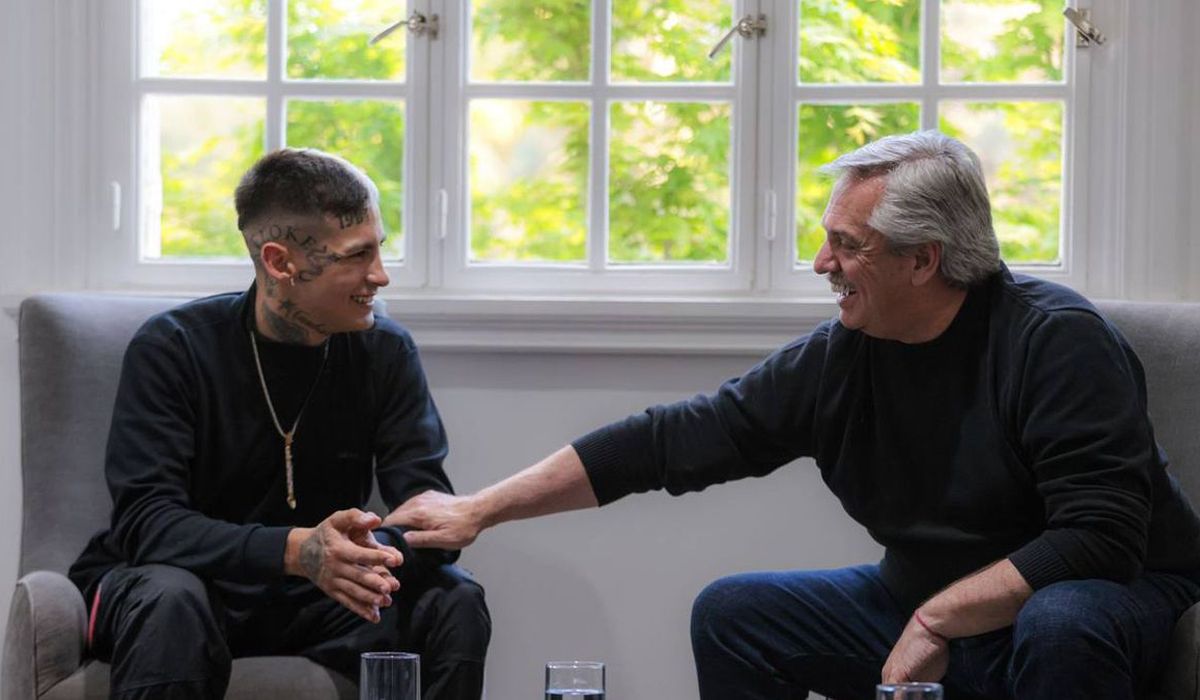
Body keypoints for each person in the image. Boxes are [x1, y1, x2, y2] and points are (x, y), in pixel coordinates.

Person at [386, 131, 1200, 699]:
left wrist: (937, 620)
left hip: (1104, 596)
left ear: (924, 260)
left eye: (848, 245)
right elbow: (677, 440)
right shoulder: (845, 354)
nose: (821, 263)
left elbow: (1098, 537)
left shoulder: (1056, 342)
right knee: (735, 615)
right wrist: (480, 509)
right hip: (927, 599)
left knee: (1061, 622)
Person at [68, 148, 490, 700]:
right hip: (191, 586)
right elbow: (147, 524)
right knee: (171, 599)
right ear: (280, 262)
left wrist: (356, 555)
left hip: (318, 600)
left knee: (452, 600)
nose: (380, 275)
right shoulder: (174, 348)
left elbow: (430, 514)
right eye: (356, 256)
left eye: (379, 249)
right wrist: (295, 551)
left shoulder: (385, 352)